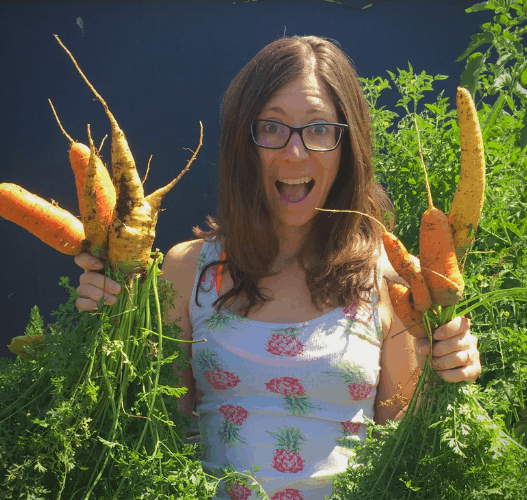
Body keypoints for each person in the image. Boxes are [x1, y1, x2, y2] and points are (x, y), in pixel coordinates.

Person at [74, 36, 481, 499]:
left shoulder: (388, 278)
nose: (294, 153)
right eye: (272, 127)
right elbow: (153, 424)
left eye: (319, 130)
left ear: (348, 145)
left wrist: (446, 368)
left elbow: (405, 444)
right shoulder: (189, 270)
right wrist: (113, 325)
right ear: (244, 144)